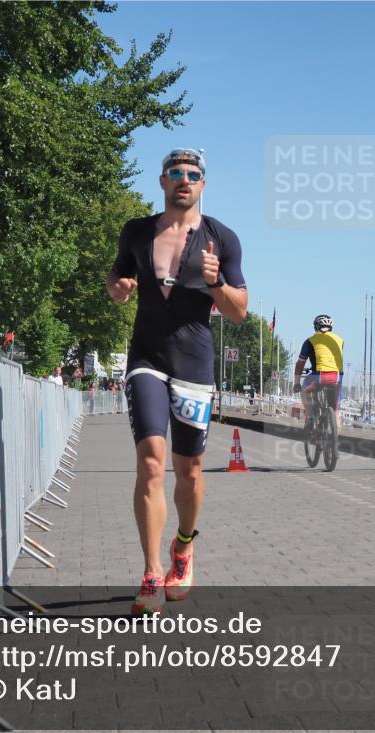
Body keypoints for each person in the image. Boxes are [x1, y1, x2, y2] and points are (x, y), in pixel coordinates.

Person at [106, 147, 248, 614]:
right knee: (150, 462)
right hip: (146, 356)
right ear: (162, 182)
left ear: (203, 184)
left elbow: (239, 310)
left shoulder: (221, 238)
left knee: (188, 471)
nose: (183, 180)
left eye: (192, 174)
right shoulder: (138, 231)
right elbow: (116, 281)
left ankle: (183, 546)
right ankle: (149, 572)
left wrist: (215, 284)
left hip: (193, 365)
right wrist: (120, 289)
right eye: (175, 173)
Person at [293, 315, 345, 425]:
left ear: (316, 327)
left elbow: (300, 364)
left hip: (319, 376)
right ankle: (336, 437)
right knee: (335, 410)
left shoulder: (310, 341)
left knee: (305, 390)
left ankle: (311, 416)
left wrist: (296, 383)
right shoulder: (340, 340)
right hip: (337, 377)